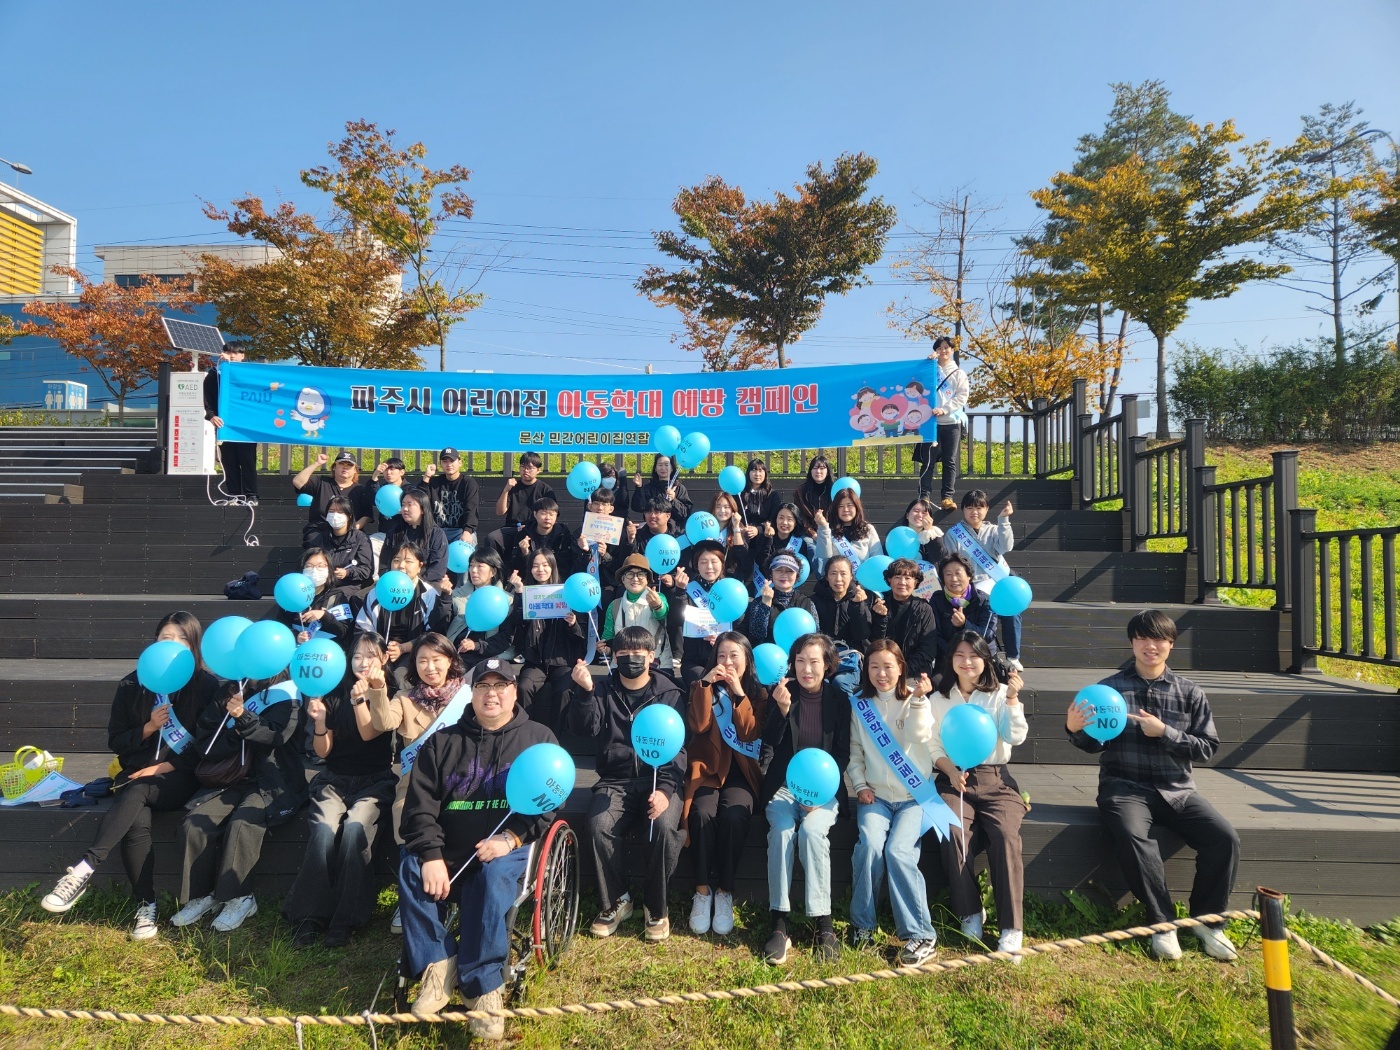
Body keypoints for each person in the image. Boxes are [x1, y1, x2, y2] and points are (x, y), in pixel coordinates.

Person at [398, 657, 559, 1039]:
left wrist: (511, 838)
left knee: (493, 876)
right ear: (472, 693)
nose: (492, 694)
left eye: (500, 685)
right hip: (450, 850)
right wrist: (432, 856)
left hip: (507, 850)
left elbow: (549, 802)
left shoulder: (539, 740)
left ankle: (484, 987)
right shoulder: (442, 742)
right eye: (484, 686)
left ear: (514, 692)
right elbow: (419, 808)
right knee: (411, 866)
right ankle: (439, 964)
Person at [1066, 610, 1240, 963]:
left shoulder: (1189, 692)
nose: (1151, 646)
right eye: (1143, 638)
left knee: (1224, 838)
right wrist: (1074, 729)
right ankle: (1162, 923)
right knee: (1132, 835)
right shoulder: (1109, 690)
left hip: (1177, 790)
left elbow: (1207, 747)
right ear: (1132, 643)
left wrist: (1166, 733)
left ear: (1170, 644)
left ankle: (1208, 922)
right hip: (1124, 787)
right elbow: (1093, 744)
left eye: (1159, 639)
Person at [40, 613, 220, 939]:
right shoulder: (132, 684)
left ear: (194, 645)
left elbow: (206, 746)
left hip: (179, 777)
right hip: (135, 774)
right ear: (154, 642)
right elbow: (117, 741)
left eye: (182, 638)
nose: (174, 644)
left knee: (136, 791)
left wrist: (162, 767)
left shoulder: (206, 686)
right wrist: (148, 727)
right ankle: (146, 908)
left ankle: (84, 868)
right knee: (137, 819)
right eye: (166, 637)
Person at [569, 626, 687, 943]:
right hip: (615, 780)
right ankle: (617, 900)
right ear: (613, 657)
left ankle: (656, 906)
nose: (630, 659)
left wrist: (665, 791)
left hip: (658, 778)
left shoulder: (670, 694)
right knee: (598, 825)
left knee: (663, 827)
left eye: (637, 653)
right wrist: (585, 693)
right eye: (622, 653)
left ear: (651, 656)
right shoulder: (603, 690)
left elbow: (678, 749)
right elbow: (584, 729)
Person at [282, 633, 395, 947]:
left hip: (374, 781)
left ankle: (346, 919)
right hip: (335, 780)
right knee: (323, 831)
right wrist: (320, 722)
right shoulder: (333, 690)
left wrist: (360, 700)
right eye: (357, 656)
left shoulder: (387, 690)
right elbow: (323, 751)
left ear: (384, 659)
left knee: (355, 829)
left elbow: (370, 733)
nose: (363, 663)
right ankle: (308, 916)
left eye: (370, 656)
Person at [170, 672, 304, 933]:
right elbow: (206, 743)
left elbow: (276, 736)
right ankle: (202, 895)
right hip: (230, 778)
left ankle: (239, 897)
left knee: (243, 824)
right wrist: (235, 733)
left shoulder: (287, 693)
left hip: (272, 780)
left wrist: (243, 717)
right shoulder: (228, 692)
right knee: (193, 825)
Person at [929, 631, 1028, 961]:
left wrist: (1012, 700)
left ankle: (1011, 928)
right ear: (950, 660)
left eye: (973, 655)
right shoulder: (939, 698)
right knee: (952, 829)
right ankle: (969, 911)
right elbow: (933, 744)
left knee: (1005, 835)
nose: (966, 662)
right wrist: (949, 770)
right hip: (953, 778)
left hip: (995, 779)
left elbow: (1015, 736)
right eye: (959, 655)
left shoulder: (999, 694)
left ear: (985, 660)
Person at [845, 639, 940, 964]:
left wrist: (919, 701)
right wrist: (860, 785)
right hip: (876, 797)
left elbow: (919, 736)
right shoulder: (860, 705)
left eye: (888, 666)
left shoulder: (916, 697)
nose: (881, 673)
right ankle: (863, 925)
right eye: (874, 666)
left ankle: (921, 935)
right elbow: (855, 752)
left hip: (914, 797)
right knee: (870, 845)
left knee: (898, 851)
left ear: (901, 668)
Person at [759, 633, 850, 964]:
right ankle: (779, 923)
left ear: (827, 665)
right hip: (784, 787)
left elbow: (842, 753)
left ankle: (823, 924)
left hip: (825, 789)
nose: (806, 669)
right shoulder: (783, 693)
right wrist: (781, 710)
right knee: (782, 831)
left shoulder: (839, 700)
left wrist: (820, 792)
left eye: (814, 662)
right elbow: (769, 741)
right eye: (800, 661)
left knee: (812, 832)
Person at [684, 632, 768, 937]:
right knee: (701, 814)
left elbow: (748, 734)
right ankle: (702, 889)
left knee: (734, 815)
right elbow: (699, 725)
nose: (727, 662)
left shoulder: (758, 694)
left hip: (740, 773)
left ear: (747, 660)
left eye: (734, 656)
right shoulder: (701, 686)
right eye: (721, 655)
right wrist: (706, 686)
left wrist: (739, 693)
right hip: (707, 770)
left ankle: (724, 891)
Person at [943, 490, 1022, 671]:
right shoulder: (954, 534)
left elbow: (1006, 547)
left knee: (1012, 610)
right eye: (969, 507)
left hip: (995, 582)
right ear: (963, 509)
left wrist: (1004, 520)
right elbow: (951, 562)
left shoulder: (994, 530)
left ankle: (1013, 656)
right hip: (969, 588)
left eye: (979, 507)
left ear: (987, 509)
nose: (974, 512)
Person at [513, 549, 587, 730]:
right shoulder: (526, 594)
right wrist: (519, 596)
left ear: (553, 567)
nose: (540, 570)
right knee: (523, 686)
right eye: (535, 566)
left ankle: (554, 737)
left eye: (545, 565)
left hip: (561, 660)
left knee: (564, 691)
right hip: (535, 661)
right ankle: (526, 733)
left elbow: (580, 638)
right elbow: (516, 629)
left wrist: (573, 624)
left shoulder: (566, 593)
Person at [357, 543, 453, 680]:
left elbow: (433, 634)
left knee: (400, 677)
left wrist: (403, 648)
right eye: (396, 560)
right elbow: (362, 628)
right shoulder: (377, 591)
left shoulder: (428, 594)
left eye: (408, 561)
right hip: (377, 650)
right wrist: (376, 651)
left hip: (414, 651)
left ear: (420, 566)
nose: (401, 565)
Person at [914, 336, 970, 510]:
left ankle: (947, 497)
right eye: (939, 347)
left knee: (949, 461)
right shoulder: (930, 369)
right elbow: (916, 382)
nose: (943, 350)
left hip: (952, 422)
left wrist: (945, 409)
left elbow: (962, 396)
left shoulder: (959, 373)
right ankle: (924, 496)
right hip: (930, 422)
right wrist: (927, 362)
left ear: (952, 350)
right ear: (936, 351)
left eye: (946, 347)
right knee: (928, 461)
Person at [264, 547, 357, 649]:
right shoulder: (292, 595)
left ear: (329, 569)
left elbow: (343, 632)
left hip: (327, 652)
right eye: (309, 566)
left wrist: (324, 616)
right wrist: (296, 636)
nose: (314, 571)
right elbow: (281, 627)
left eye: (320, 566)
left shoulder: (337, 596)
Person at [674, 540, 738, 686]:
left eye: (714, 561)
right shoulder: (688, 589)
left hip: (727, 660)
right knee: (702, 684)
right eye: (703, 562)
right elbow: (676, 621)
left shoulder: (732, 591)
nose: (709, 567)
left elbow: (741, 627)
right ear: (696, 565)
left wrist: (723, 639)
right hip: (694, 661)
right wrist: (680, 591)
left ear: (722, 564)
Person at [446, 548, 521, 671]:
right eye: (471, 566)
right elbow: (442, 624)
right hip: (458, 653)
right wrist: (443, 598)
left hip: (489, 655)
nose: (473, 570)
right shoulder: (456, 595)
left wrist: (476, 645)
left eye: (480, 566)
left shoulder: (506, 600)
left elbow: (505, 637)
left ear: (493, 571)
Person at [202, 341, 258, 504]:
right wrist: (212, 416)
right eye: (228, 352)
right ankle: (234, 495)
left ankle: (251, 495)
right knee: (229, 461)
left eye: (235, 353)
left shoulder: (250, 373)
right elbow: (208, 398)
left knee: (247, 461)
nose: (232, 356)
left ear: (242, 356)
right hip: (224, 425)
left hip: (246, 427)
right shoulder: (214, 374)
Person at [811, 554, 873, 697]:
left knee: (841, 683)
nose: (838, 579)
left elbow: (862, 635)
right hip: (822, 658)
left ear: (851, 576)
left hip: (849, 660)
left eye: (843, 573)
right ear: (826, 577)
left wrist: (858, 606)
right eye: (833, 573)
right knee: (820, 684)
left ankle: (848, 712)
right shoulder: (813, 601)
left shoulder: (862, 599)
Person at [870, 558, 939, 678]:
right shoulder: (879, 605)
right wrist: (880, 619)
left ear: (916, 582)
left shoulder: (924, 609)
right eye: (897, 577)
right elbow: (875, 644)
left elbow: (928, 649)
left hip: (913, 672)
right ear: (889, 579)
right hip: (883, 671)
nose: (902, 582)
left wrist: (903, 671)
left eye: (907, 578)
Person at [600, 553, 671, 666]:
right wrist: (606, 649)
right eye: (630, 574)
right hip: (623, 666)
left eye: (641, 574)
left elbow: (663, 615)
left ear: (647, 579)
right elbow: (608, 638)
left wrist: (657, 605)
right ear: (623, 579)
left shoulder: (658, 597)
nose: (635, 578)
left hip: (657, 664)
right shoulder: (614, 605)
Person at [928, 552, 998, 665]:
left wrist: (964, 624)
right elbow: (934, 635)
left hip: (980, 657)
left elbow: (988, 634)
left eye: (958, 573)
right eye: (948, 574)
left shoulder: (984, 600)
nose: (954, 579)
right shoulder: (937, 600)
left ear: (969, 576)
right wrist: (955, 654)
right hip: (948, 657)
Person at [294, 451, 375, 548]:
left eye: (349, 465)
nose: (345, 467)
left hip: (349, 533)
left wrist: (352, 529)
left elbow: (367, 516)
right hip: (319, 531)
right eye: (341, 464)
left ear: (355, 470)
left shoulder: (361, 490)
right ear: (334, 467)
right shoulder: (321, 482)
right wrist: (317, 463)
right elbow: (297, 482)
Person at [743, 552, 817, 649]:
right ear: (771, 573)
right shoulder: (758, 602)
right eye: (778, 570)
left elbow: (815, 637)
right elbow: (756, 638)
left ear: (797, 575)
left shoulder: (807, 603)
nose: (784, 575)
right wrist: (766, 604)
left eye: (790, 571)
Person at [379, 489, 450, 586]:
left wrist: (415, 584)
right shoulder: (395, 532)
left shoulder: (436, 534)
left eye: (410, 505)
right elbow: (384, 563)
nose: (405, 509)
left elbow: (437, 570)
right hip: (394, 584)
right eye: (403, 505)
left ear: (422, 509)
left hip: (425, 586)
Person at [506, 497, 577, 580]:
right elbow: (517, 567)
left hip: (557, 581)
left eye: (552, 514)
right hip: (531, 581)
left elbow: (566, 563)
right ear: (535, 514)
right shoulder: (524, 535)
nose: (548, 518)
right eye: (543, 513)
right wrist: (524, 553)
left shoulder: (563, 535)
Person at [421, 446, 481, 545]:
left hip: (459, 531)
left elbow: (472, 509)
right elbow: (419, 500)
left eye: (452, 461)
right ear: (441, 464)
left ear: (460, 463)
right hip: (437, 531)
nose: (449, 464)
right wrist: (427, 477)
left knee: (470, 540)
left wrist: (467, 531)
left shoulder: (468, 483)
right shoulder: (434, 482)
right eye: (445, 461)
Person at [814, 489, 884, 570]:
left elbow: (877, 558)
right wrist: (823, 527)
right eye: (841, 506)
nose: (845, 510)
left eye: (849, 505)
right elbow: (824, 556)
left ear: (856, 507)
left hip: (863, 577)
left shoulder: (868, 529)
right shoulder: (827, 530)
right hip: (837, 577)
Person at [320, 495, 375, 589]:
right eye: (331, 511)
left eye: (340, 512)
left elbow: (366, 570)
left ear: (349, 516)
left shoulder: (360, 538)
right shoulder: (321, 538)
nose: (335, 515)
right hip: (327, 586)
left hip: (353, 588)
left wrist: (347, 572)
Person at [752, 503, 817, 578]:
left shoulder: (801, 543)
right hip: (765, 581)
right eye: (781, 518)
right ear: (776, 519)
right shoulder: (764, 537)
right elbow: (761, 563)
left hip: (788, 582)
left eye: (789, 519)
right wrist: (768, 539)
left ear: (795, 523)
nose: (784, 522)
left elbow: (804, 569)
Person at [493, 451, 556, 527]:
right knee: (494, 535)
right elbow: (500, 512)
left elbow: (552, 514)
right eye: (523, 467)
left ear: (538, 470)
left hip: (536, 529)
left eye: (530, 468)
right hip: (512, 527)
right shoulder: (512, 486)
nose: (526, 470)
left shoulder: (545, 490)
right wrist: (505, 490)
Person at [630, 454, 692, 524]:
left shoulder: (679, 488)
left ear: (672, 468)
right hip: (653, 528)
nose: (663, 468)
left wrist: (674, 500)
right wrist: (639, 488)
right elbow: (638, 507)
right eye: (660, 465)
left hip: (675, 529)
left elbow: (685, 514)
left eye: (666, 465)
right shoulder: (649, 488)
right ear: (655, 468)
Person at [792, 455, 834, 538]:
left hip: (831, 533)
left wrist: (828, 532)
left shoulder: (834, 490)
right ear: (810, 471)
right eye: (815, 468)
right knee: (810, 545)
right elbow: (800, 516)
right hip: (807, 534)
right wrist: (813, 534)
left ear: (828, 471)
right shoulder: (800, 491)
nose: (818, 471)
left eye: (822, 468)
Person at [740, 458, 784, 530]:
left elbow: (774, 518)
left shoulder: (772, 495)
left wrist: (758, 529)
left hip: (764, 532)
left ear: (765, 474)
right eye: (754, 470)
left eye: (760, 471)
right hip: (743, 531)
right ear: (748, 473)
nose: (757, 474)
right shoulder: (741, 494)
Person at [902, 496, 946, 566]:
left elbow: (938, 557)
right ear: (907, 515)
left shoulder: (934, 535)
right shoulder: (897, 535)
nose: (919, 515)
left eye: (924, 513)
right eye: (916, 511)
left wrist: (929, 530)